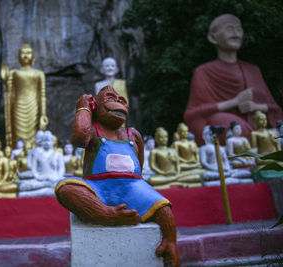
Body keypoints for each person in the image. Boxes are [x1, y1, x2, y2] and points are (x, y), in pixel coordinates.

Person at [55, 86, 180, 266]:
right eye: (110, 98)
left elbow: (139, 166)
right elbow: (79, 138)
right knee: (65, 189)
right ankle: (107, 215)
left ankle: (170, 243)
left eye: (122, 100)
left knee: (164, 209)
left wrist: (139, 190)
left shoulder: (133, 135)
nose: (119, 101)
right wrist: (83, 108)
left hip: (132, 186)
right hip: (98, 187)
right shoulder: (94, 131)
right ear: (95, 106)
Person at [184, 14, 283, 145]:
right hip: (234, 133)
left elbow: (275, 109)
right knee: (220, 120)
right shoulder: (203, 72)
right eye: (230, 29)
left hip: (262, 128)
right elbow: (193, 114)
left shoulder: (253, 70)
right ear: (213, 37)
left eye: (239, 29)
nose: (236, 34)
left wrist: (255, 106)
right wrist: (235, 102)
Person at [1, 44, 48, 148]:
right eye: (23, 53)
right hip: (18, 107)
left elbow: (42, 96)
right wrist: (6, 80)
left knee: (36, 134)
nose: (25, 56)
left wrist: (43, 114)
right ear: (18, 56)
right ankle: (17, 154)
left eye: (28, 53)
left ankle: (34, 153)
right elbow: (9, 91)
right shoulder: (14, 73)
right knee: (17, 133)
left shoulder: (39, 74)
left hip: (34, 107)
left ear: (33, 56)